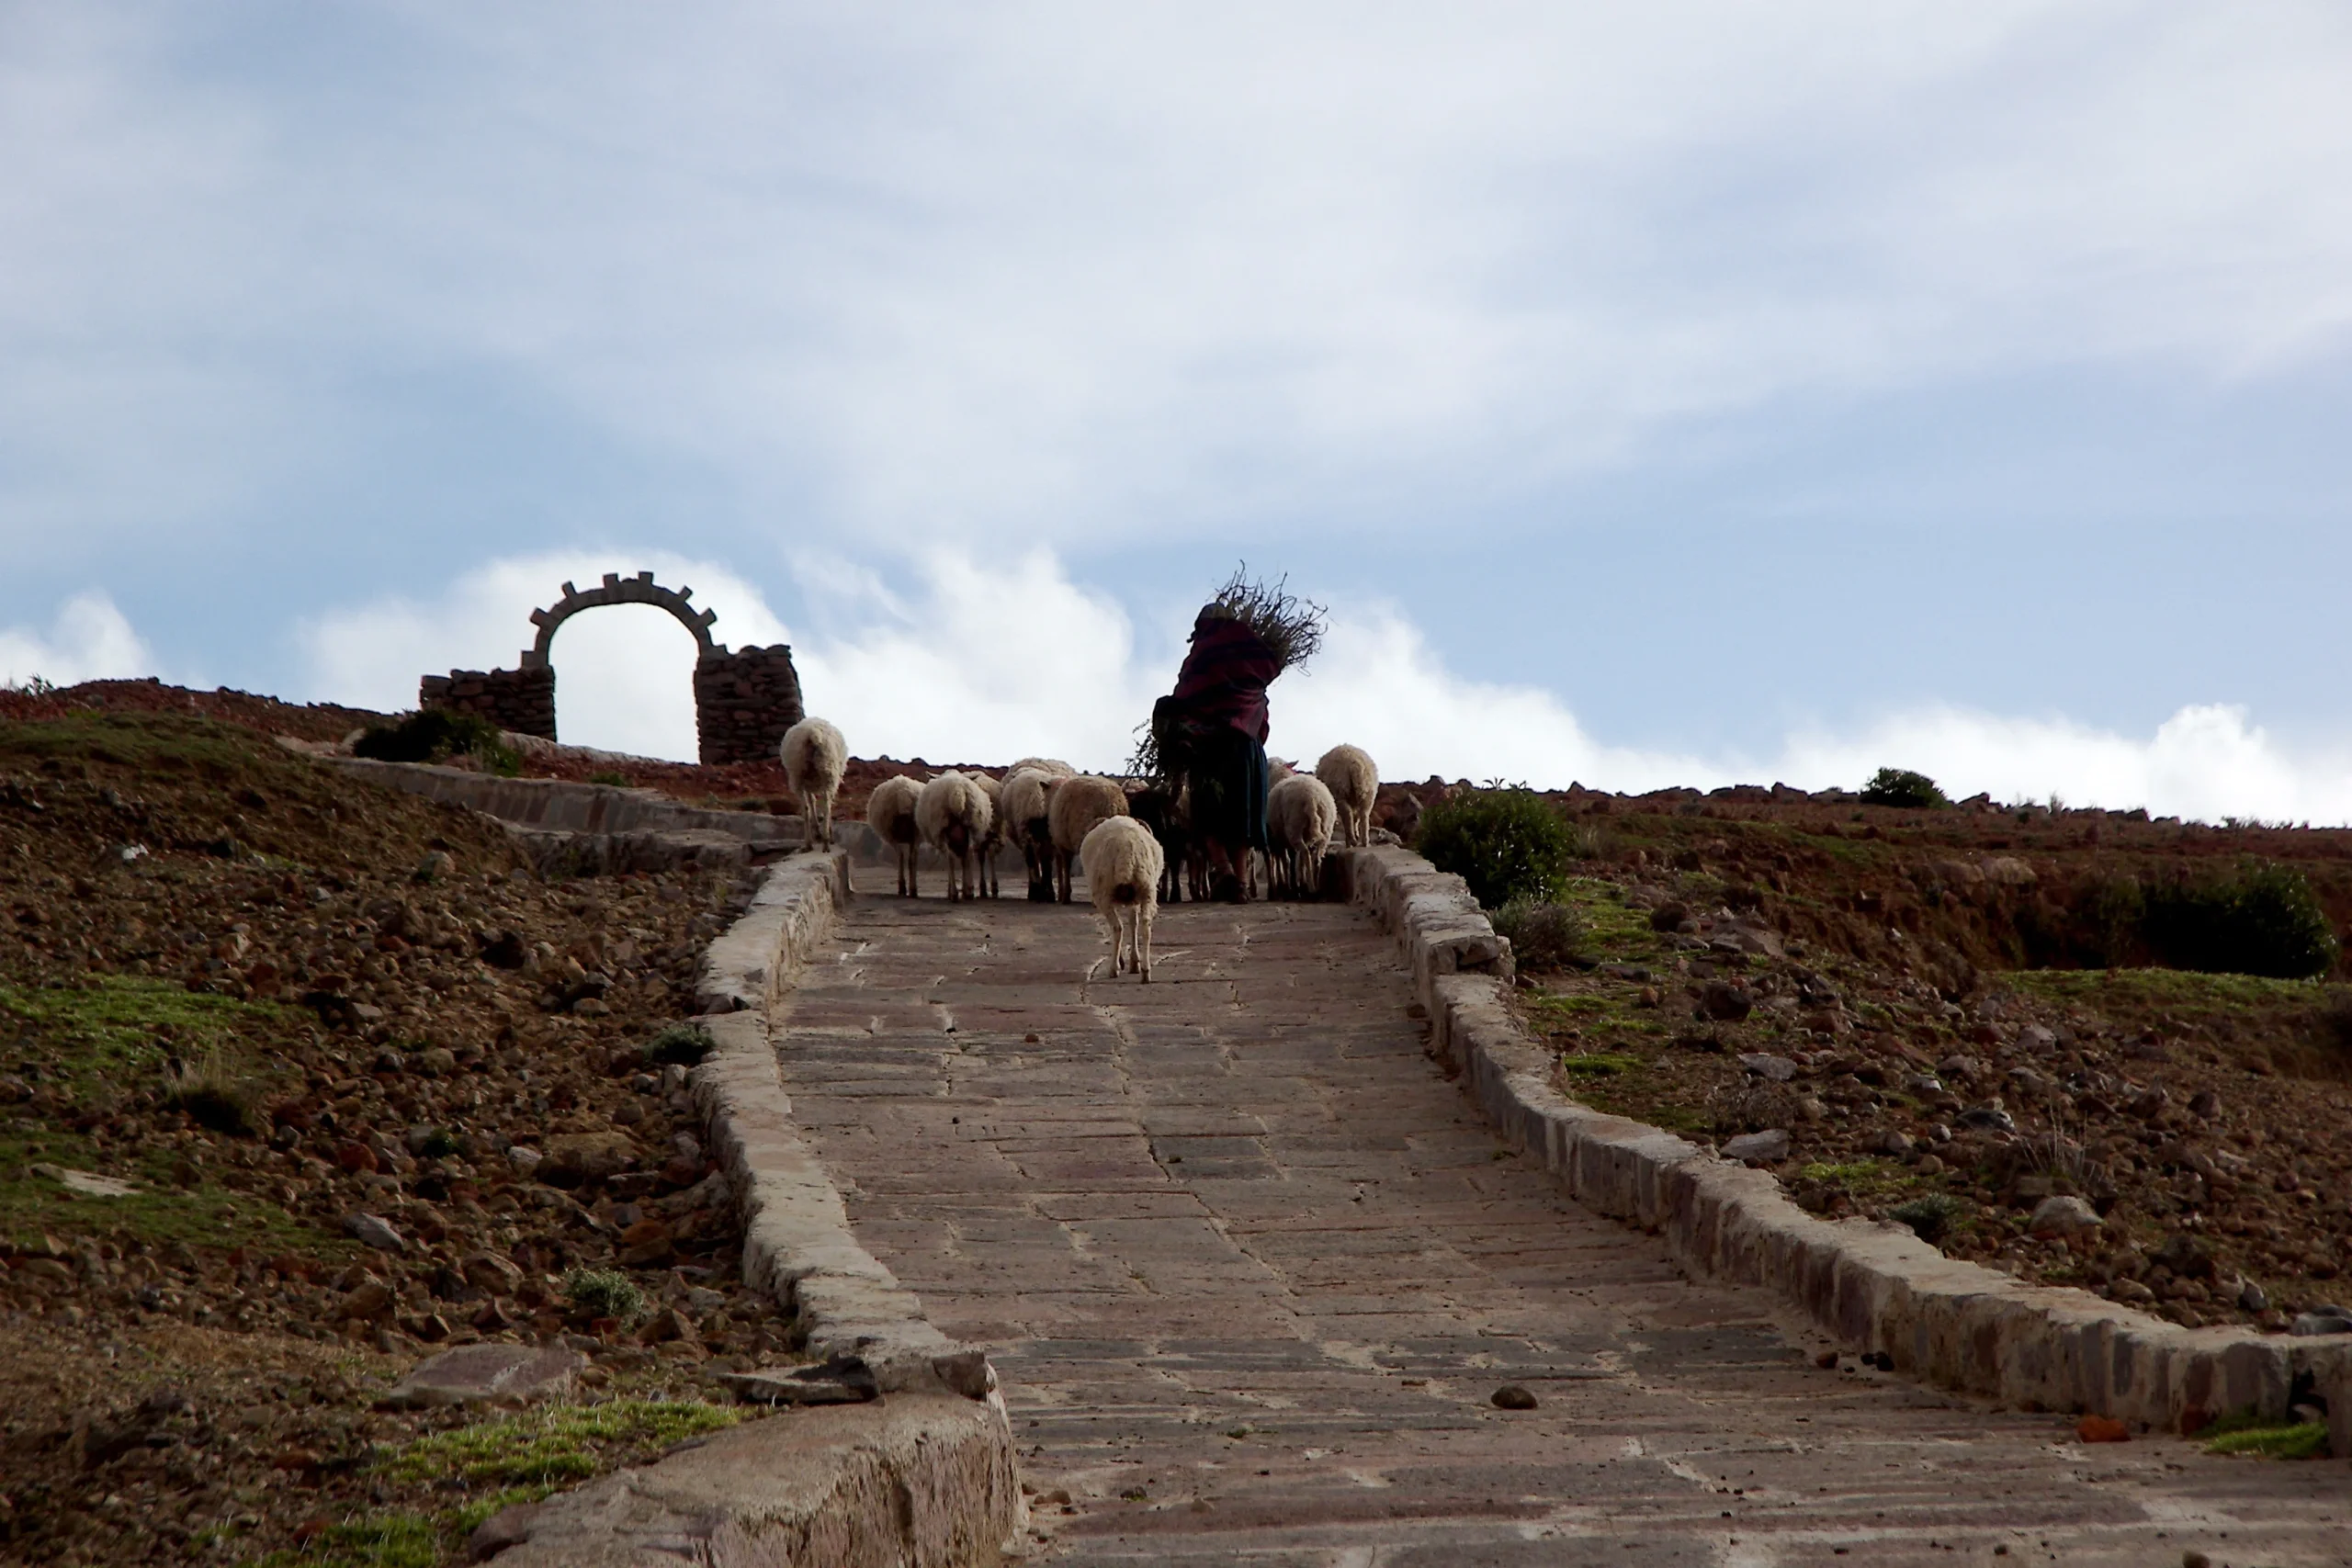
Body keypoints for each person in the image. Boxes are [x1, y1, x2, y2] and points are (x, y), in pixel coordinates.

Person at [1157, 603, 1280, 901]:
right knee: (1241, 815)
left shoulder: (1202, 654)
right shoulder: (1252, 652)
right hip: (1247, 748)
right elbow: (1260, 694)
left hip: (1210, 748)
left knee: (1207, 813)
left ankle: (1224, 871)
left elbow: (1186, 694)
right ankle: (1238, 881)